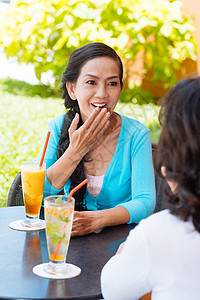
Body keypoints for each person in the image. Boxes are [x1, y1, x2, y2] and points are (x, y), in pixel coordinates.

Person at [38, 42, 155, 236]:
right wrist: (76, 151)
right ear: (72, 89)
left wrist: (98, 220)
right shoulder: (58, 128)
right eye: (91, 82)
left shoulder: (137, 134)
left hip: (121, 244)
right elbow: (39, 195)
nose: (102, 94)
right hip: (66, 242)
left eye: (112, 83)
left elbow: (145, 202)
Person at [101, 75, 200, 300]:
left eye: (112, 83)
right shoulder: (59, 127)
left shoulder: (157, 234)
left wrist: (124, 250)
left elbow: (112, 291)